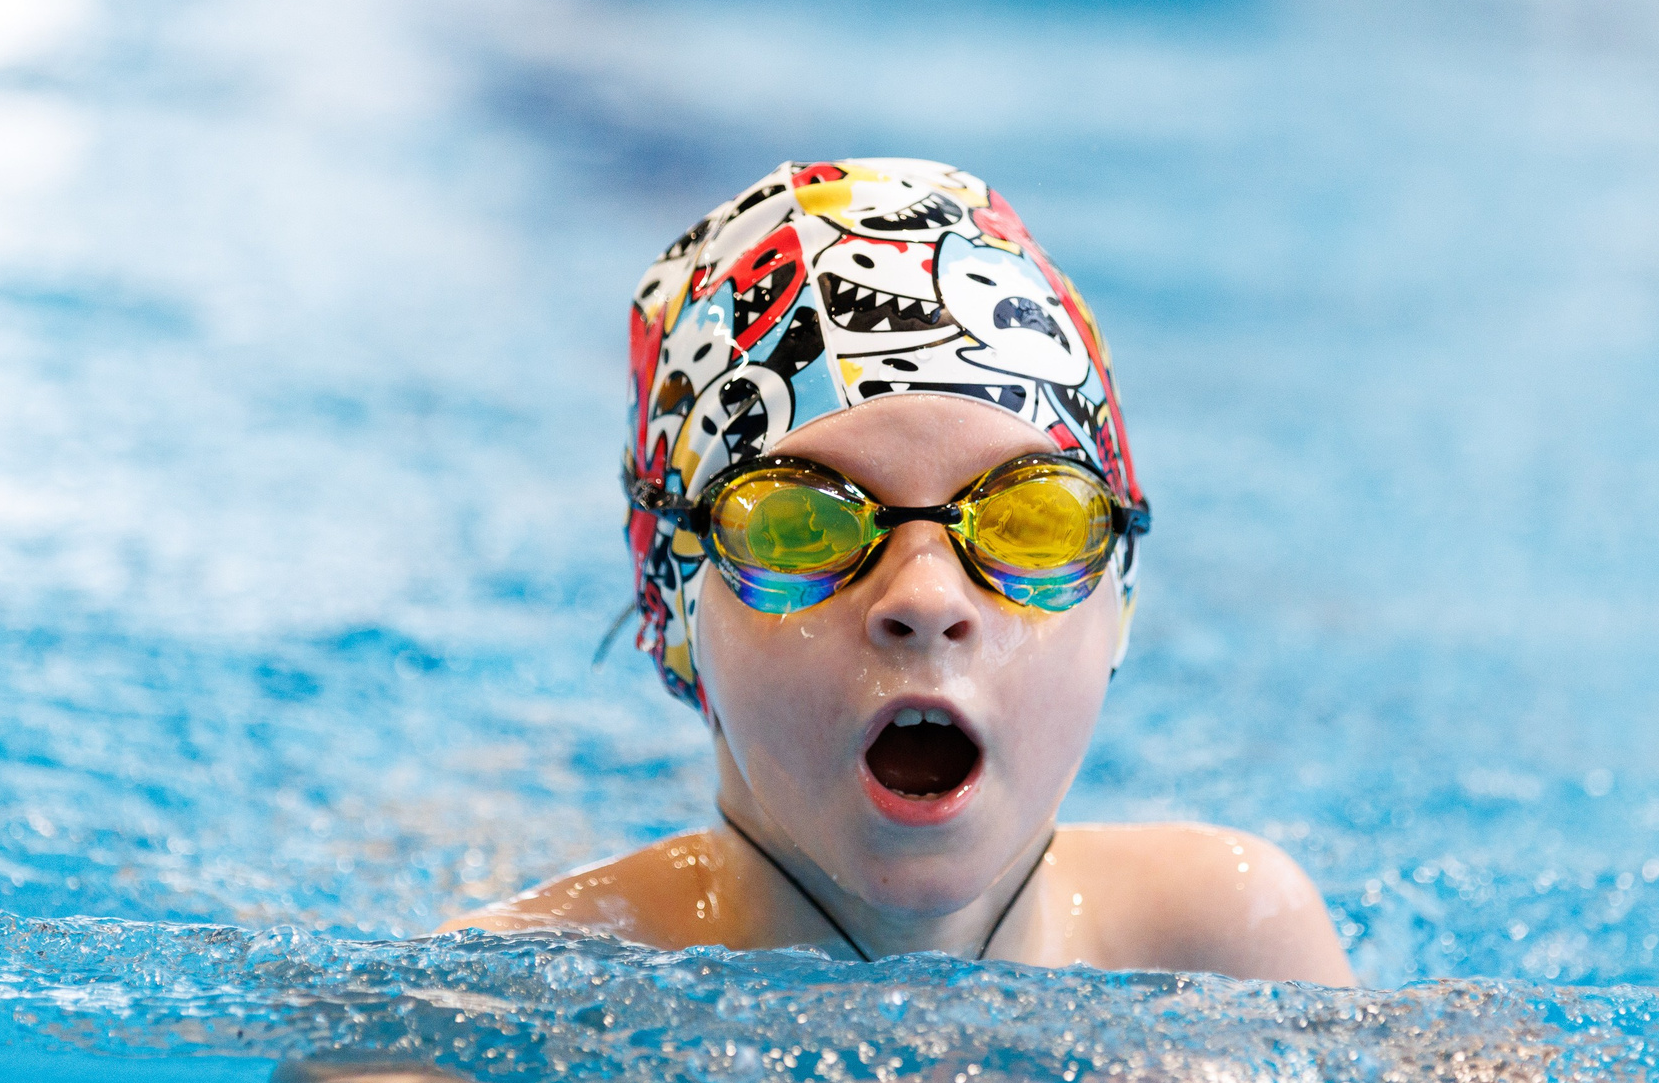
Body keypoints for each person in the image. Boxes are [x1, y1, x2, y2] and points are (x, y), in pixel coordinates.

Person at [446, 159, 1352, 983]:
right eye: (803, 524)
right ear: (678, 602)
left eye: (1028, 521)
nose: (924, 597)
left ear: (1119, 597)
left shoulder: (1231, 942)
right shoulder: (519, 993)